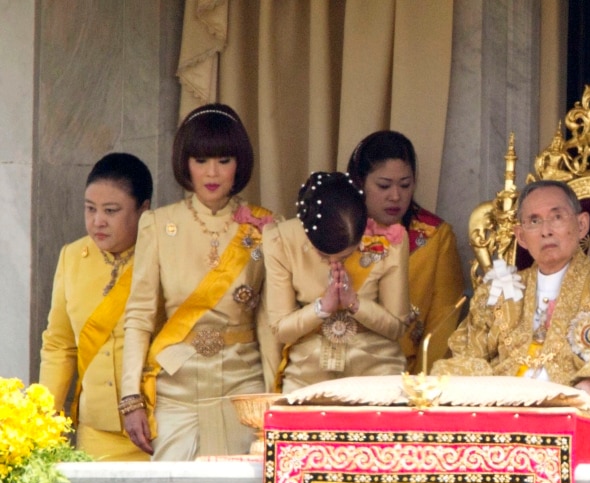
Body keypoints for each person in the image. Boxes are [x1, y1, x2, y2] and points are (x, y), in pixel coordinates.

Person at [120, 103, 277, 460]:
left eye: (224, 160)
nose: (212, 172)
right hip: (176, 387)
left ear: (240, 164)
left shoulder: (263, 227)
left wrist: (275, 392)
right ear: (185, 163)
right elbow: (139, 316)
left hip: (243, 386)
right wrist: (131, 398)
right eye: (201, 160)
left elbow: (268, 321)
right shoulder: (157, 225)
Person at [431, 180, 590, 404]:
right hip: (500, 410)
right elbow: (465, 355)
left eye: (557, 217)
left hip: (576, 412)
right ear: (521, 236)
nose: (546, 231)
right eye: (534, 221)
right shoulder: (495, 294)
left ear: (581, 225)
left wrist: (585, 394)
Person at [39, 153, 153, 461]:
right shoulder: (72, 256)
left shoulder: (162, 255)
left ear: (144, 210)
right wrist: (44, 420)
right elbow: (59, 346)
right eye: (90, 209)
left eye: (111, 211)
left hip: (155, 427)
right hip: (96, 429)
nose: (97, 221)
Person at [263, 172, 411, 393]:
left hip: (377, 366)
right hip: (307, 371)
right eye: (324, 254)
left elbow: (397, 327)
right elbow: (280, 329)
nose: (334, 263)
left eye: (345, 256)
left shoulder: (389, 241)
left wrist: (355, 303)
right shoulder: (281, 240)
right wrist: (321, 308)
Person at [347, 131, 465, 371]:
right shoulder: (338, 232)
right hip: (337, 368)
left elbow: (443, 325)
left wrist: (423, 387)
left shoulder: (434, 237)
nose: (396, 196)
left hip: (403, 374)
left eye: (405, 184)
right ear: (359, 182)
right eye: (383, 185)